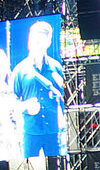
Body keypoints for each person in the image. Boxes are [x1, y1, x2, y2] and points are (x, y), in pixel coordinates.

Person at [10, 18, 65, 161]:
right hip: (30, 131)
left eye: (40, 41)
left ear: (48, 42)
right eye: (33, 40)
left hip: (53, 130)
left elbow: (66, 98)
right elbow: (11, 100)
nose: (35, 44)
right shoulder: (20, 70)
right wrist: (25, 105)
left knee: (56, 169)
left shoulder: (56, 68)